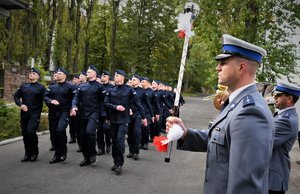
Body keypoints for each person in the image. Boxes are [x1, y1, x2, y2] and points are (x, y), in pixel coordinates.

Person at [166, 34, 274, 194]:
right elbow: (221, 140)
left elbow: (245, 187)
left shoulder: (250, 112)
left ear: (241, 67)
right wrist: (185, 134)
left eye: (223, 63)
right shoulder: (238, 103)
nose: (217, 68)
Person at [104, 69, 145, 175]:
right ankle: (115, 161)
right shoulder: (111, 89)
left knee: (120, 141)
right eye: (115, 75)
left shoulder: (129, 90)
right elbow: (106, 103)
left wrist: (143, 117)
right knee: (114, 142)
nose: (115, 77)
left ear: (122, 77)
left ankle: (120, 164)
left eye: (117, 75)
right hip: (113, 120)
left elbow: (138, 104)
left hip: (124, 120)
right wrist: (115, 107)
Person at [269, 81, 300, 194]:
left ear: (289, 98)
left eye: (278, 95)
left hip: (272, 180)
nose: (274, 97)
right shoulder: (282, 115)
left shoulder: (286, 120)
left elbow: (265, 142)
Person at [71, 65, 105, 166]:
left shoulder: (99, 86)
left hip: (94, 113)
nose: (88, 73)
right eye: (87, 71)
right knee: (82, 136)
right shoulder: (82, 86)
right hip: (82, 114)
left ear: (95, 73)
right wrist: (74, 106)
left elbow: (104, 101)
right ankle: (86, 157)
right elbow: (76, 98)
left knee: (90, 132)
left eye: (90, 71)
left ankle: (92, 153)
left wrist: (103, 115)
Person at [44, 68, 76, 164]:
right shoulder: (52, 86)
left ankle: (61, 152)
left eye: (59, 73)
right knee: (54, 132)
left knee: (60, 130)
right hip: (53, 112)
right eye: (56, 73)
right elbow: (45, 96)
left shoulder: (70, 87)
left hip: (64, 112)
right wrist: (50, 101)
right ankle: (58, 154)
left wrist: (73, 107)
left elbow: (75, 97)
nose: (57, 75)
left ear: (65, 76)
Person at [14, 68, 46, 162]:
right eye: (30, 73)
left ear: (38, 76)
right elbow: (16, 96)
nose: (31, 74)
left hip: (35, 114)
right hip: (24, 114)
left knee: (30, 131)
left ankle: (34, 152)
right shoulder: (24, 86)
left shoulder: (41, 88)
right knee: (25, 133)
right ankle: (27, 153)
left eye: (34, 73)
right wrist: (21, 104)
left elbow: (46, 98)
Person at [127, 74, 149, 160]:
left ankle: (136, 152)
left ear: (139, 81)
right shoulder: (128, 90)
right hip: (129, 114)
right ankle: (131, 151)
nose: (132, 81)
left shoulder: (142, 92)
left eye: (134, 80)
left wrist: (150, 115)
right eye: (132, 80)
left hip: (138, 114)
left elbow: (147, 104)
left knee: (136, 133)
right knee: (129, 134)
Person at [96, 70, 114, 155]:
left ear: (107, 77)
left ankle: (109, 144)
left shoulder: (112, 87)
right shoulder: (98, 86)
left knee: (107, 129)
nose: (102, 77)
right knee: (99, 131)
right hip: (99, 111)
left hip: (108, 112)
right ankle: (101, 148)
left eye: (104, 76)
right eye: (101, 76)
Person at [69, 74, 80, 144]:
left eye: (76, 79)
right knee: (71, 123)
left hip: (79, 108)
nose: (74, 80)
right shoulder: (72, 87)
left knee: (77, 125)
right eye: (73, 79)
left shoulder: (81, 87)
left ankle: (79, 139)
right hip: (72, 107)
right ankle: (72, 137)